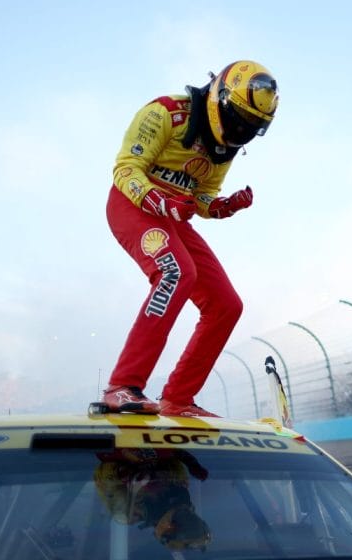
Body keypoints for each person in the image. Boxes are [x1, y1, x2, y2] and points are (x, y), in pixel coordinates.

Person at [102, 60, 279, 417]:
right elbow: (125, 168)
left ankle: (178, 398)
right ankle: (122, 386)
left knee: (227, 304)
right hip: (132, 204)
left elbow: (200, 198)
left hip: (174, 218)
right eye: (237, 120)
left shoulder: (223, 148)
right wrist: (160, 200)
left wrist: (223, 207)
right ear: (219, 99)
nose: (238, 132)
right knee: (176, 272)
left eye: (250, 128)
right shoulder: (165, 112)